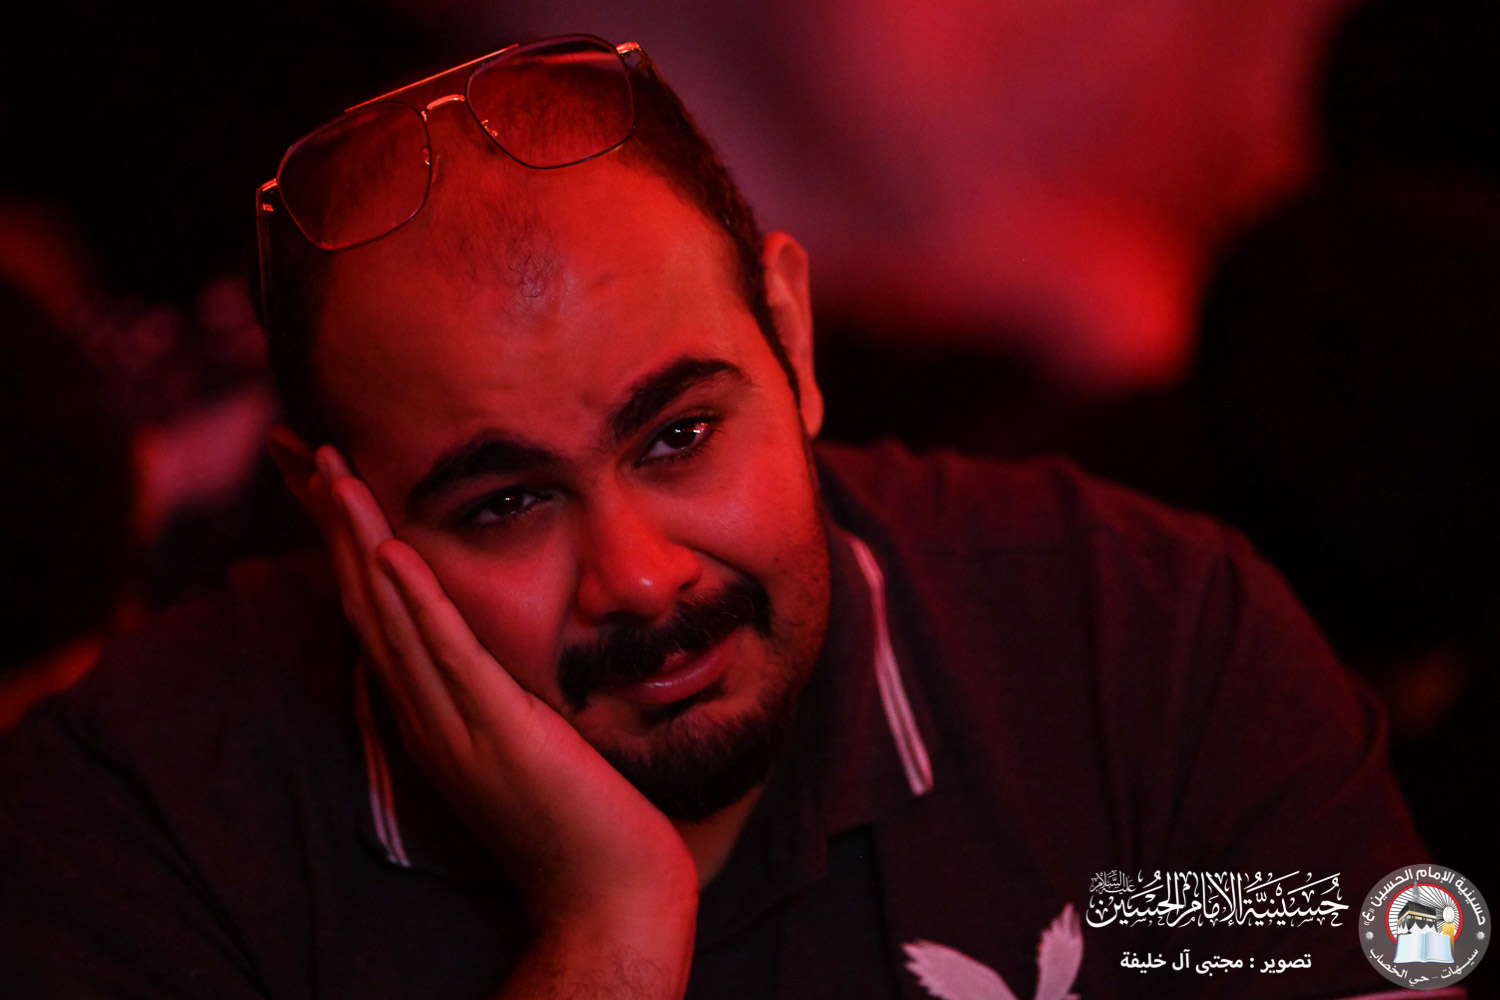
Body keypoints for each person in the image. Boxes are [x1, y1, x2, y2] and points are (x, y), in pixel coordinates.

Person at [0, 35, 1443, 999]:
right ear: (335, 514)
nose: (637, 579)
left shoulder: (1137, 646)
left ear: (794, 343)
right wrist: (605, 935)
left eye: (680, 436)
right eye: (506, 503)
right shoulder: (145, 830)